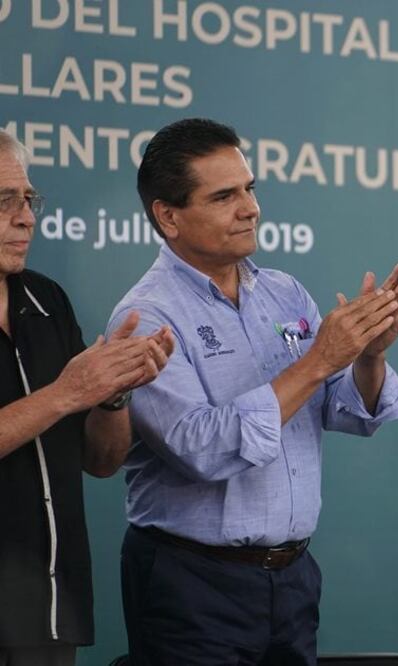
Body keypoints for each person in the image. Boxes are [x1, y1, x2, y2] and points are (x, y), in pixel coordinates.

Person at [108, 118, 398, 665]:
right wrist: (321, 357)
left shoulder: (283, 292)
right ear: (168, 216)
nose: (250, 208)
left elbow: (339, 407)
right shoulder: (146, 315)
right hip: (192, 583)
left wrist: (369, 353)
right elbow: (201, 447)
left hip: (293, 579)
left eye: (249, 189)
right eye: (224, 195)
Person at [0, 130, 172, 666]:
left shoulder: (47, 300)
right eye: (5, 201)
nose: (27, 217)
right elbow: (61, 398)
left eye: (29, 200)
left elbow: (101, 462)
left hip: (47, 612)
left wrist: (112, 397)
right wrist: (67, 393)